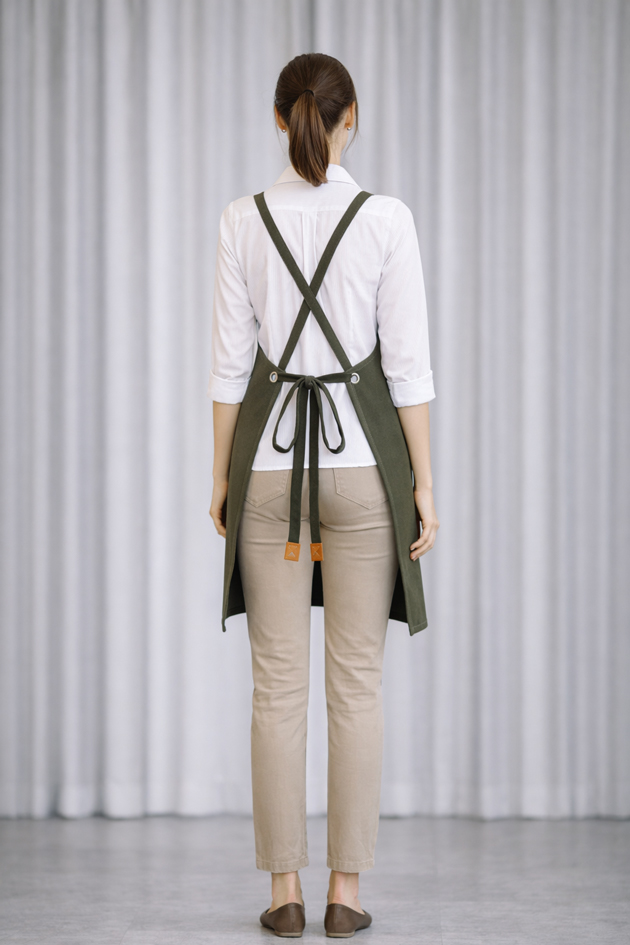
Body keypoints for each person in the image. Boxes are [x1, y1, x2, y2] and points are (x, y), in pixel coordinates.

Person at [208, 52, 439, 939]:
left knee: (275, 688)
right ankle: (345, 892)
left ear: (280, 119)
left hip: (267, 469)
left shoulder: (241, 219)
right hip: (364, 470)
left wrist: (220, 477)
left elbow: (229, 368)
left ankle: (284, 893)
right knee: (357, 686)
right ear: (352, 119)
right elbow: (408, 368)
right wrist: (425, 483)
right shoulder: (387, 219)